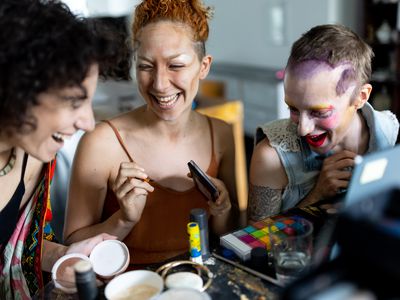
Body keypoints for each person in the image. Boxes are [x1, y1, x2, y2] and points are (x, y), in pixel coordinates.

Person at [64, 0, 237, 266]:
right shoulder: (100, 142)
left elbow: (230, 239)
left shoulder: (223, 136)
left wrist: (223, 212)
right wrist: (123, 220)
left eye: (175, 66)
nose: (159, 84)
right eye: (146, 66)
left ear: (204, 67)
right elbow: (72, 251)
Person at [0, 0, 130, 297]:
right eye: (74, 102)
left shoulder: (31, 158)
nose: (88, 122)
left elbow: (12, 246)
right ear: (19, 90)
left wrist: (62, 257)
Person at [248, 24, 399, 222]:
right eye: (293, 108)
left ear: (361, 97)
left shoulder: (393, 138)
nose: (303, 129)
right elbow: (256, 245)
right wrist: (315, 196)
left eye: (319, 112)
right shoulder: (270, 157)